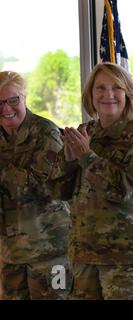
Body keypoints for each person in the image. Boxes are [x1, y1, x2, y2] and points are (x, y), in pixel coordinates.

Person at [47, 62, 133, 299]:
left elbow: (127, 190)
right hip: (84, 255)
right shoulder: (86, 131)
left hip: (129, 258)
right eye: (100, 88)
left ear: (127, 94)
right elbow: (58, 191)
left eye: (116, 88)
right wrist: (69, 161)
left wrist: (86, 157)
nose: (108, 95)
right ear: (90, 95)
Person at [0, 71, 70, 299]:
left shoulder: (45, 132)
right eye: (0, 102)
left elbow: (39, 185)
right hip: (11, 252)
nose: (6, 109)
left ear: (24, 98)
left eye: (13, 100)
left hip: (51, 250)